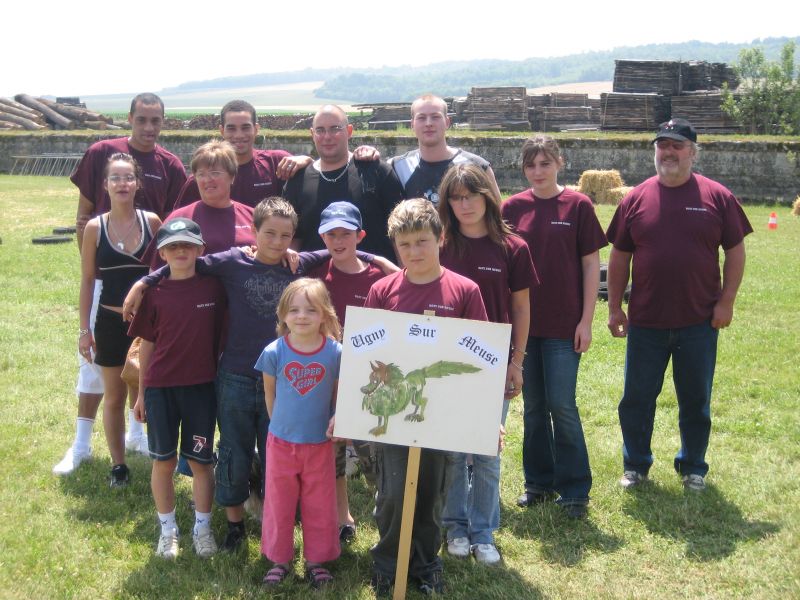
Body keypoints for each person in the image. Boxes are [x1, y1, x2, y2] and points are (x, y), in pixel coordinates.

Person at [125, 197, 379, 552]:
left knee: (278, 455)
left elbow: (337, 250)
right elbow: (186, 261)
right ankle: (234, 524)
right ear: (254, 232)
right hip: (235, 377)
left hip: (283, 381)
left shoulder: (297, 264)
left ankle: (278, 523)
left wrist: (377, 259)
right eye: (269, 234)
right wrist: (145, 282)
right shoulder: (232, 261)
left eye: (285, 236)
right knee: (234, 451)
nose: (277, 242)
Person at [606, 119, 752, 492]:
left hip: (699, 321)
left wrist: (727, 302)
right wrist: (614, 308)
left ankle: (693, 467)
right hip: (646, 321)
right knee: (637, 399)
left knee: (695, 399)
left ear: (693, 153)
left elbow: (735, 252)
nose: (668, 152)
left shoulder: (717, 196)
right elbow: (619, 257)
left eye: (677, 145)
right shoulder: (635, 198)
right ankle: (635, 465)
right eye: (662, 145)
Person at [55, 93, 185, 475]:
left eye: (155, 120)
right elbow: (83, 215)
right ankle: (82, 445)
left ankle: (137, 436)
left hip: (146, 309)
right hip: (105, 290)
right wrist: (97, 266)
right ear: (129, 118)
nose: (148, 127)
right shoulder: (102, 153)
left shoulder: (169, 167)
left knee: (142, 376)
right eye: (141, 119)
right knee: (97, 375)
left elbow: (169, 247)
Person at [364, 198, 488, 597]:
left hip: (440, 416)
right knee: (393, 494)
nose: (414, 251)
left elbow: (478, 359)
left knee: (432, 493)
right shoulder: (382, 291)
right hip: (394, 415)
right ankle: (387, 563)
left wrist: (485, 417)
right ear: (395, 247)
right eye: (405, 245)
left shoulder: (464, 291)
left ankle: (425, 563)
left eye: (422, 241)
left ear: (440, 238)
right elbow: (368, 357)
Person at [502, 135, 606, 519]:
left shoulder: (578, 205)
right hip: (524, 327)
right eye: (530, 165)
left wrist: (586, 321)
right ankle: (538, 483)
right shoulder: (512, 208)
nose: (538, 171)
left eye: (545, 163)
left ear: (560, 163)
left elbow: (591, 265)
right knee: (533, 407)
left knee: (562, 405)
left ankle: (575, 489)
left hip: (564, 324)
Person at [437, 164, 536, 564]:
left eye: (471, 196)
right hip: (446, 362)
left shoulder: (513, 247)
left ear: (488, 197)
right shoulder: (439, 245)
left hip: (492, 362)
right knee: (452, 451)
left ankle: (483, 531)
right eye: (456, 198)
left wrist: (517, 361)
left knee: (487, 450)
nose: (464, 205)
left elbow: (521, 307)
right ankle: (455, 526)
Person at [129, 218, 226, 559]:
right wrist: (142, 393)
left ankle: (203, 528)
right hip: (161, 390)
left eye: (187, 245)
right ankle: (167, 530)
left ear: (201, 249)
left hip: (201, 389)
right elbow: (147, 345)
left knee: (201, 462)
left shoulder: (215, 288)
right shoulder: (154, 293)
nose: (180, 251)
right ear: (162, 253)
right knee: (164, 462)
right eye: (172, 246)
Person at [306, 201, 398, 545]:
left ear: (360, 236)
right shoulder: (315, 274)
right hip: (327, 377)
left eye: (346, 234)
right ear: (322, 237)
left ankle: (386, 510)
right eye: (331, 234)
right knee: (333, 453)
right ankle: (341, 516)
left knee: (374, 453)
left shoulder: (380, 277)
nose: (338, 241)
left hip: (368, 380)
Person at [75, 153, 161, 486]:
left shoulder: (152, 222)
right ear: (105, 185)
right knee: (113, 396)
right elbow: (87, 281)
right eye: (116, 178)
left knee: (151, 391)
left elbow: (162, 274)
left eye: (128, 177)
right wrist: (84, 330)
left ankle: (160, 455)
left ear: (138, 184)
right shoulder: (94, 228)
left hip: (147, 328)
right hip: (110, 324)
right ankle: (118, 466)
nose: (122, 184)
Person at [254, 277, 342, 588]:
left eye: (311, 310)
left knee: (320, 503)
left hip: (320, 443)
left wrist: (335, 422)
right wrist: (281, 428)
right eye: (294, 310)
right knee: (279, 502)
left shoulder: (335, 353)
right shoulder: (273, 352)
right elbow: (270, 395)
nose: (302, 316)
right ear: (282, 314)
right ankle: (280, 560)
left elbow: (337, 398)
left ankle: (317, 561)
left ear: (324, 314)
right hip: (281, 443)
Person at [282, 104, 405, 261]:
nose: (327, 136)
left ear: (349, 131)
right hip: (315, 275)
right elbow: (292, 239)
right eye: (320, 130)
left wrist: (404, 272)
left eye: (335, 129)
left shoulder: (376, 172)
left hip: (374, 275)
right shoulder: (298, 181)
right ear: (312, 134)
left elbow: (401, 232)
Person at [174, 99, 312, 208]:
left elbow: (315, 178)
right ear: (222, 131)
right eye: (231, 128)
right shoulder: (203, 178)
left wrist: (307, 161)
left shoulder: (277, 162)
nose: (239, 135)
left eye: (245, 128)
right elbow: (179, 221)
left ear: (256, 129)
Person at [146, 140, 255, 269]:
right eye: (201, 174)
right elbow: (155, 270)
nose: (208, 179)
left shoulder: (253, 216)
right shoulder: (178, 219)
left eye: (215, 173)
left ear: (232, 177)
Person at [390, 94, 501, 204]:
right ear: (412, 124)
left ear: (447, 122)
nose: (429, 123)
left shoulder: (478, 167)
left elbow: (497, 212)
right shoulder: (397, 167)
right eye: (421, 118)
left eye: (435, 117)